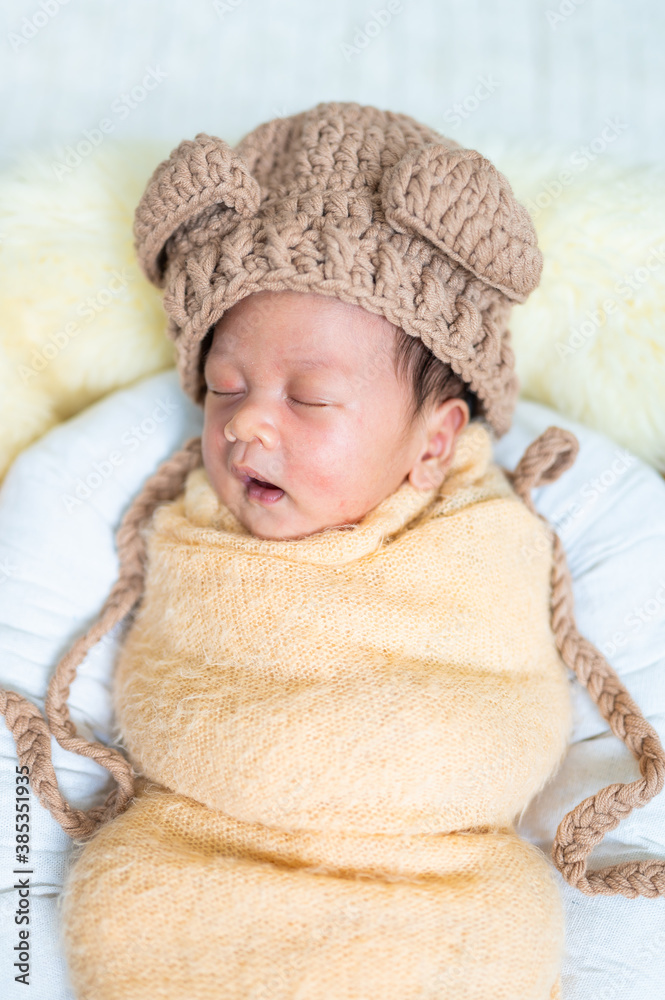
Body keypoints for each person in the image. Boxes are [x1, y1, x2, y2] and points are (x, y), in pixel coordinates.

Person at [1, 101, 663, 1000]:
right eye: (223, 388)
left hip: (435, 894)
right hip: (194, 883)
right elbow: (161, 695)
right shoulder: (183, 525)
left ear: (434, 442)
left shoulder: (488, 533)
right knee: (132, 908)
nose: (246, 425)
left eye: (308, 399)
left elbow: (503, 720)